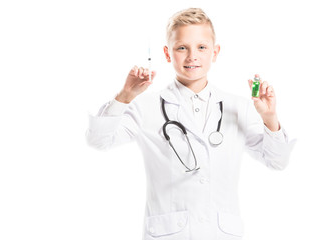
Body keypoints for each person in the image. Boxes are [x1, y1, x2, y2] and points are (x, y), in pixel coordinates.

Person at [86, 8, 296, 240]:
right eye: (182, 48)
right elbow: (97, 141)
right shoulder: (145, 106)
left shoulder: (240, 106)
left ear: (215, 52)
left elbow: (277, 162)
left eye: (202, 47)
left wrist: (269, 117)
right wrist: (125, 96)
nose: (192, 56)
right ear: (168, 53)